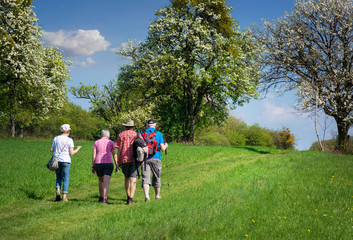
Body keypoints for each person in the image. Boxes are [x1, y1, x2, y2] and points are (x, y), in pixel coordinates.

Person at [50, 124, 82, 202]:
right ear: (68, 131)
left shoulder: (56, 138)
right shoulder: (69, 140)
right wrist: (77, 149)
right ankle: (64, 196)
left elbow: (51, 150)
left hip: (57, 160)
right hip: (66, 160)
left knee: (58, 177)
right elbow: (71, 153)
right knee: (65, 178)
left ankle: (58, 190)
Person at [141, 119, 168, 202]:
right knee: (156, 176)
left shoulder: (142, 133)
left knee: (146, 177)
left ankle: (147, 196)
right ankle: (157, 195)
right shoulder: (158, 134)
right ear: (155, 125)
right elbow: (163, 148)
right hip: (156, 158)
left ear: (147, 125)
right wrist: (166, 145)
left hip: (145, 158)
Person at [115, 119, 139, 205]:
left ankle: (128, 196)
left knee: (127, 178)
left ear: (125, 126)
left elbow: (118, 149)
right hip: (134, 159)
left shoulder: (121, 135)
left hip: (124, 159)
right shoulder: (136, 135)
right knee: (133, 179)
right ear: (133, 127)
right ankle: (131, 198)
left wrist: (117, 162)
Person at [92, 130, 118, 204]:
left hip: (98, 163)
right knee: (106, 181)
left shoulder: (96, 142)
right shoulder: (110, 142)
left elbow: (94, 155)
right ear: (108, 136)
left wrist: (93, 166)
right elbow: (114, 155)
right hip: (108, 163)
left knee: (100, 180)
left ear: (101, 135)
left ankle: (101, 197)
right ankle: (105, 199)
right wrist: (117, 165)